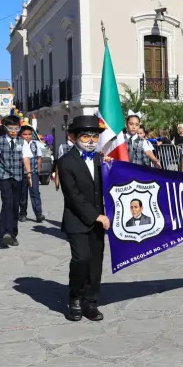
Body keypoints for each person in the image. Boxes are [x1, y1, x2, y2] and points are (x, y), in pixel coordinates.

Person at [57, 115, 111, 322]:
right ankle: (75, 298)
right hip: (77, 220)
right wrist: (96, 216)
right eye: (85, 136)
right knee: (81, 259)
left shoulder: (100, 159)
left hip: (99, 222)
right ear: (73, 137)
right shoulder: (65, 162)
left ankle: (91, 301)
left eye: (94, 136)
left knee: (95, 262)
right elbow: (73, 196)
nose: (90, 140)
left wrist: (111, 168)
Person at [0, 115, 33, 247]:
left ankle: (13, 234)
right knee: (7, 202)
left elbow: (25, 158)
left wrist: (29, 174)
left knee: (15, 205)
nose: (13, 131)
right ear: (5, 128)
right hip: (4, 176)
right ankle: (6, 233)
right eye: (11, 128)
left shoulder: (22, 142)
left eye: (16, 128)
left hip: (18, 177)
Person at [18, 126, 45, 223]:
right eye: (25, 134)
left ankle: (38, 214)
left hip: (33, 172)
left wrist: (38, 169)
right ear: (20, 135)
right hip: (21, 173)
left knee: (35, 193)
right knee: (22, 194)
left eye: (29, 134)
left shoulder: (35, 144)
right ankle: (22, 213)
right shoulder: (18, 144)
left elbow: (39, 157)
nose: (27, 136)